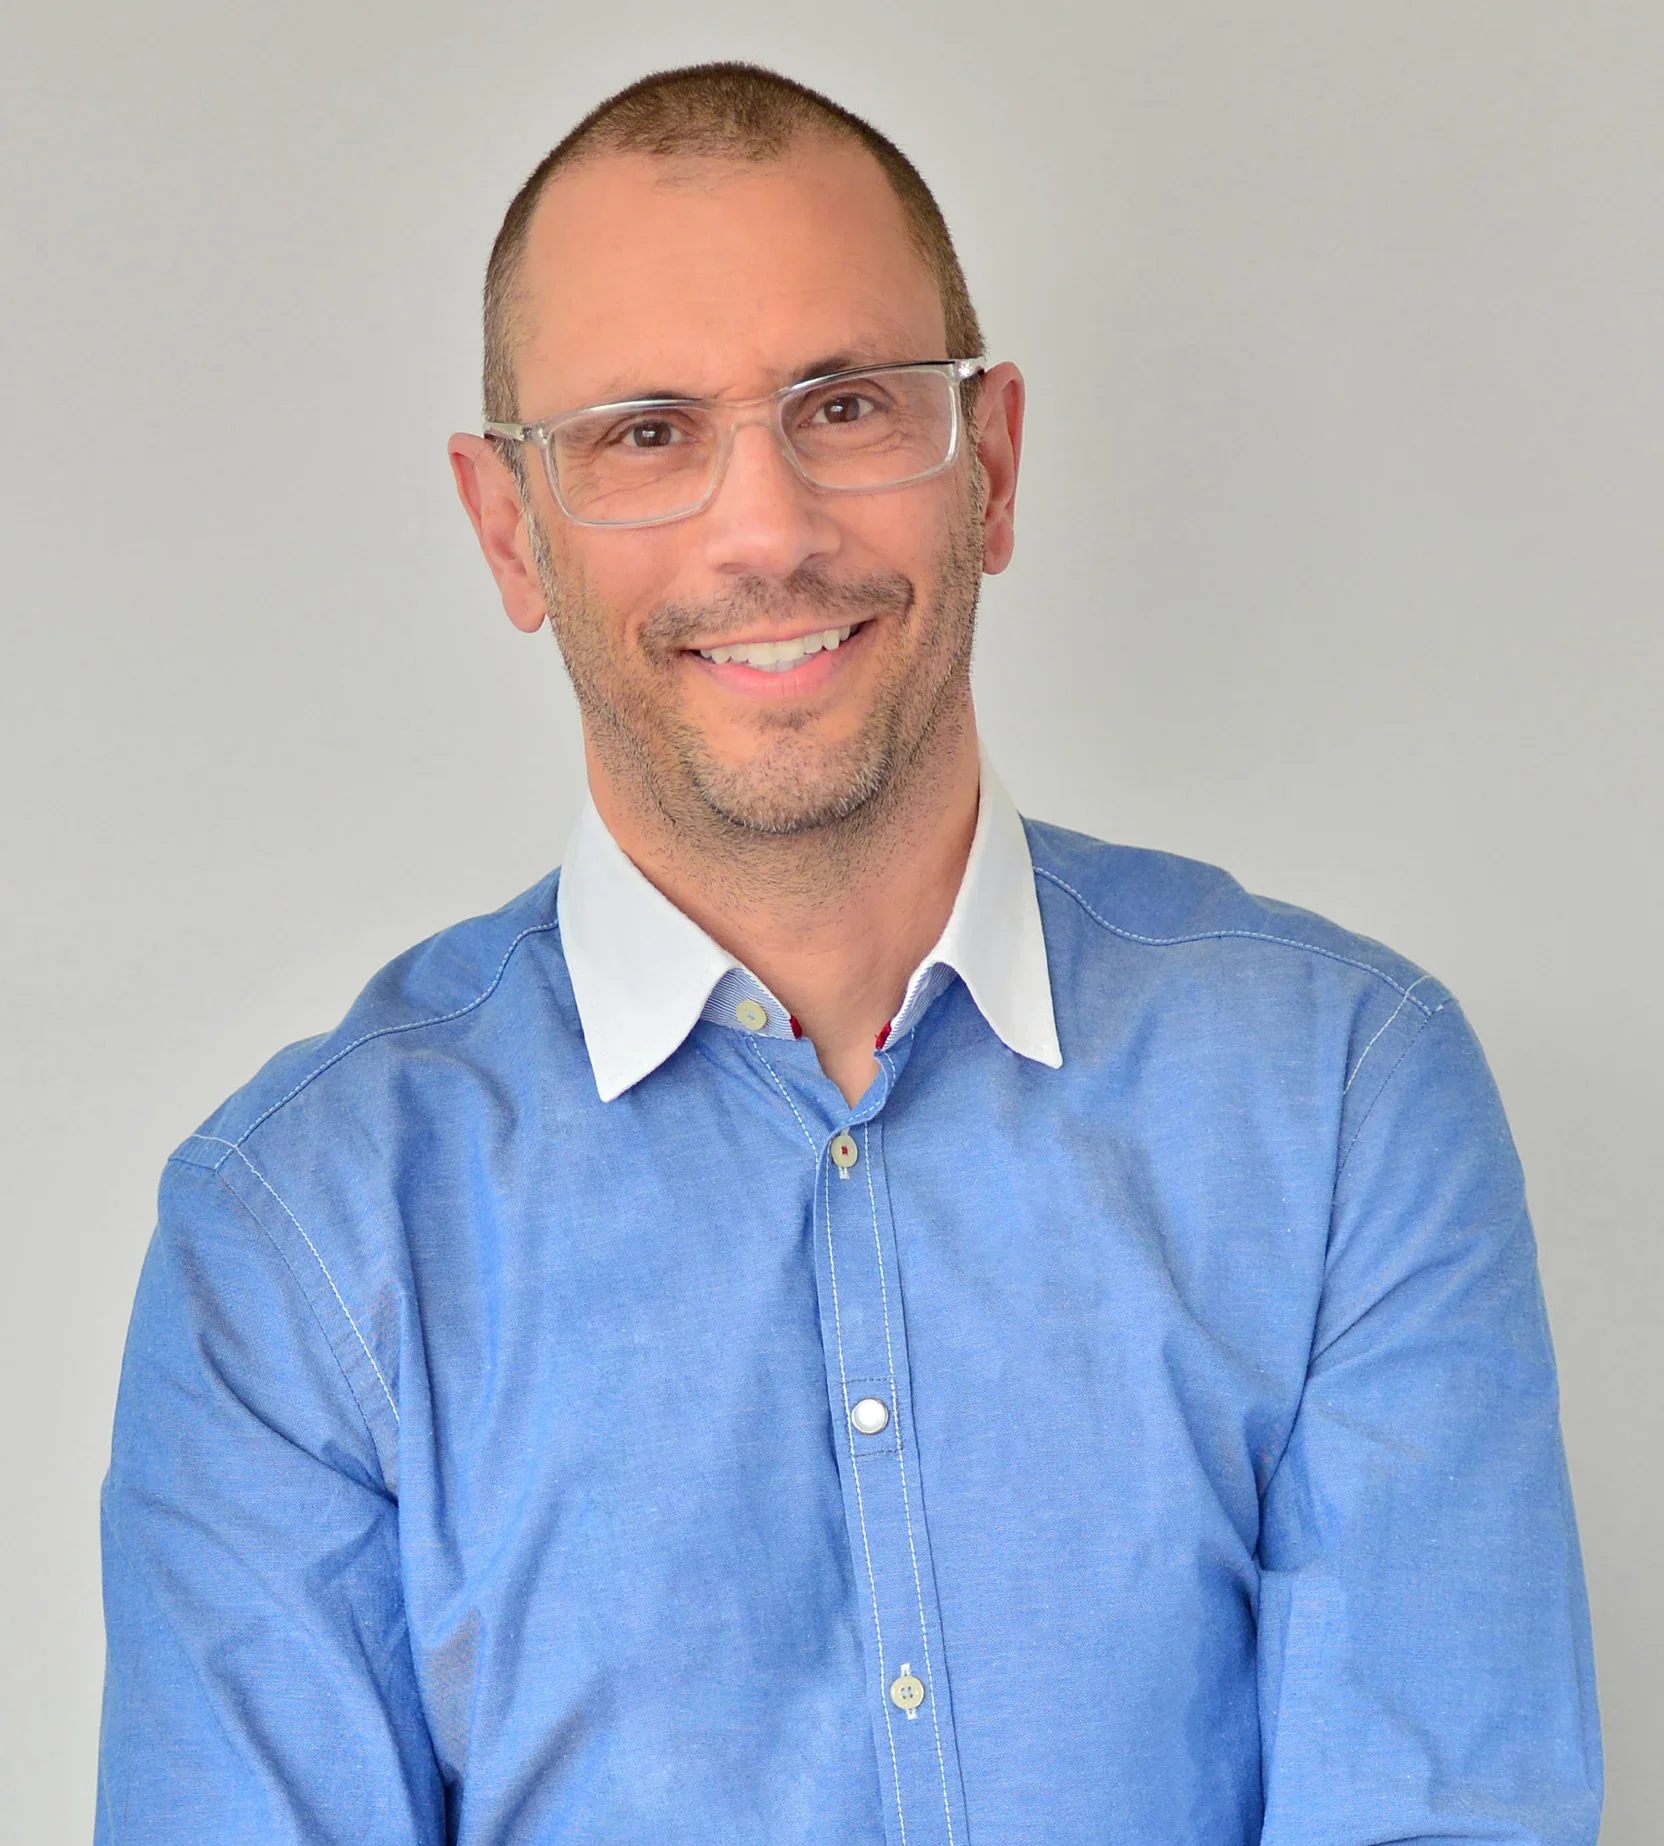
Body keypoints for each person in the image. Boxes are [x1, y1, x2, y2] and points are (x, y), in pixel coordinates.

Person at [96, 61, 1601, 1846]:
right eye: (645, 433)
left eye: (850, 405)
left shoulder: (1345, 1099)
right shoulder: (297, 1238)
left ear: (995, 464)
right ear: (512, 527)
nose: (767, 528)